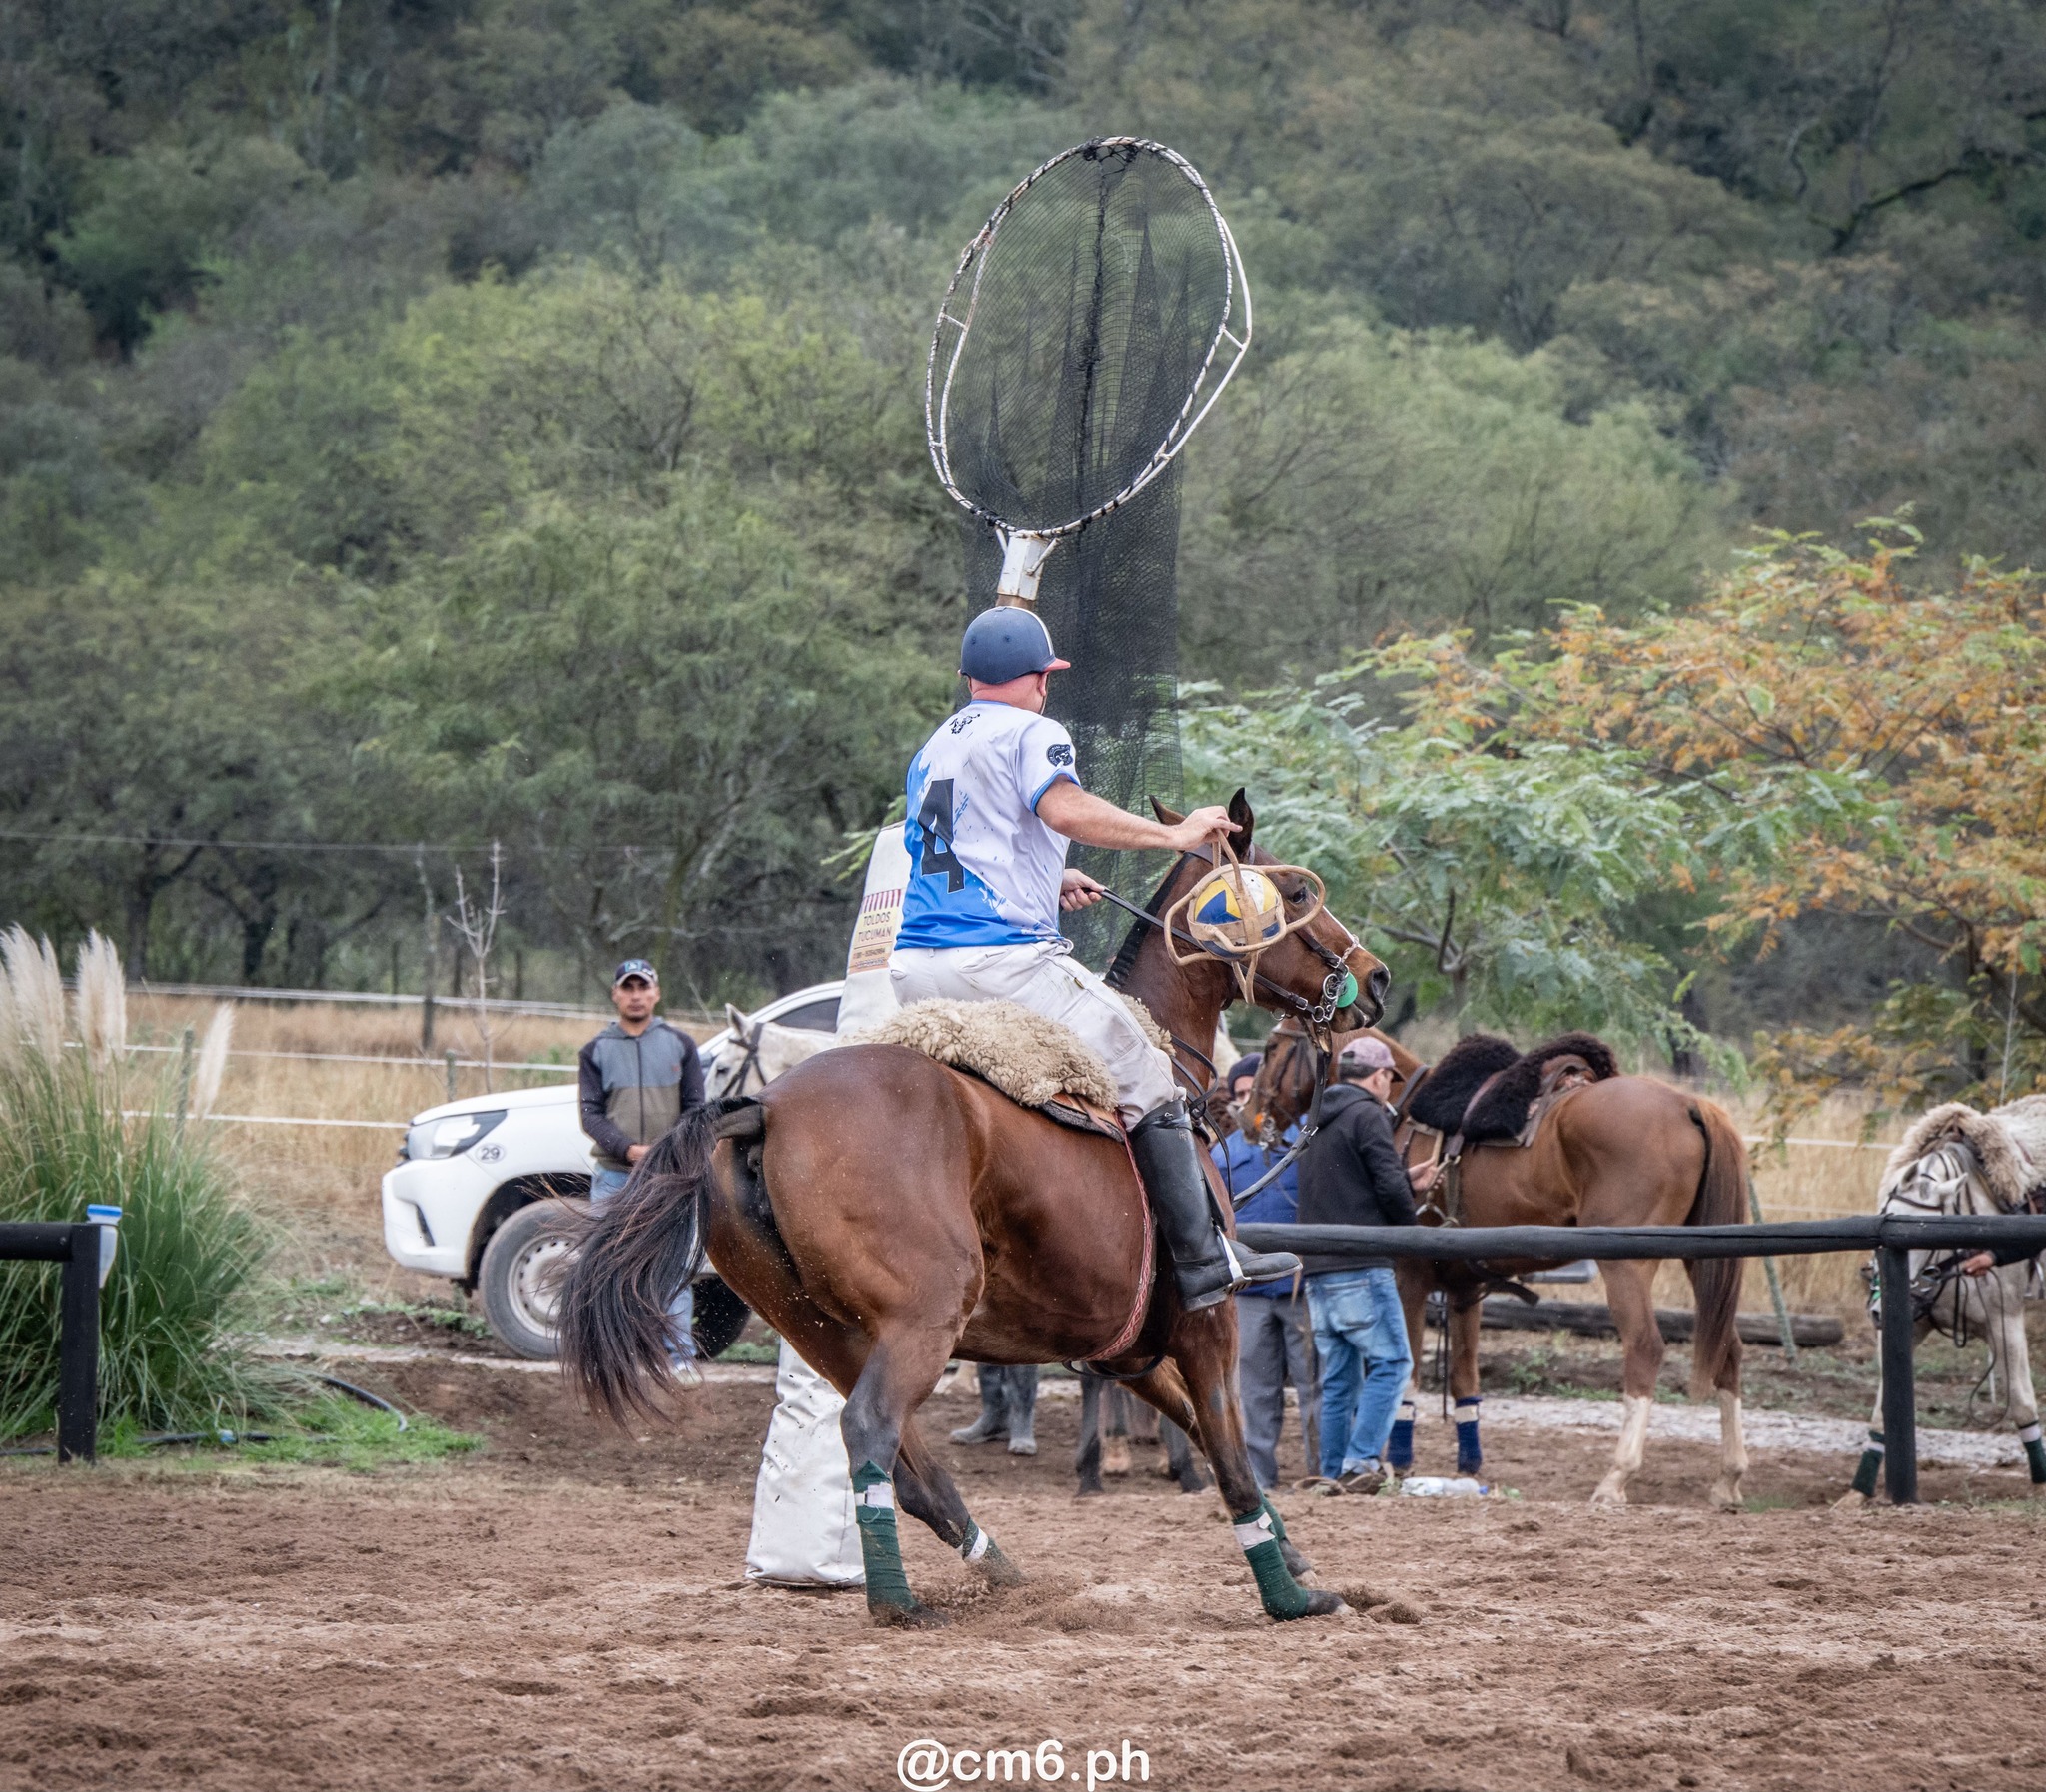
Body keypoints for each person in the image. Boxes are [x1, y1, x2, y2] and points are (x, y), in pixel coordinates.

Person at [887, 606, 1301, 1312]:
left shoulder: (935, 746)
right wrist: (1177, 836)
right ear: (1038, 678)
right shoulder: (1034, 731)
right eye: (1046, 676)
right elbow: (1066, 811)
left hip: (916, 966)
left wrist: (1050, 879)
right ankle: (1205, 1259)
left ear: (968, 677)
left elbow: (960, 851)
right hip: (1000, 965)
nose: (1047, 687)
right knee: (1151, 1066)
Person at [1294, 1034, 1439, 1491]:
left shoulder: (1316, 1120)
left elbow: (1346, 1186)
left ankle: (1332, 1472)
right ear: (1378, 1076)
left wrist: (1402, 1177)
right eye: (1388, 1079)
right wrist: (1408, 1228)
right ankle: (1360, 1464)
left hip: (1318, 1273)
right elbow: (1388, 1191)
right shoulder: (1369, 1115)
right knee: (1394, 1363)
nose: (1388, 1087)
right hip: (1360, 1269)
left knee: (1339, 1381)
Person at [578, 958, 706, 1381]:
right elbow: (590, 1114)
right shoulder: (595, 1050)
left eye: (643, 987)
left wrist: (665, 1153)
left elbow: (696, 1109)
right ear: (616, 994)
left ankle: (681, 1358)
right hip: (615, 1174)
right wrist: (628, 1149)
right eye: (628, 988)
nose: (636, 995)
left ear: (657, 993)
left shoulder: (681, 1045)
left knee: (673, 1267)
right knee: (605, 1267)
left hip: (670, 1179)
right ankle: (610, 1360)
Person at [1213, 1057, 1310, 1491]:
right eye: (1240, 1094)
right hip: (1250, 1293)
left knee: (1314, 1385)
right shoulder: (1222, 1153)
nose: (1247, 1102)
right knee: (1254, 1391)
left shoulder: (1305, 1141)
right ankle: (1259, 1480)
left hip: (1300, 1287)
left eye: (1253, 1091)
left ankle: (1321, 1472)